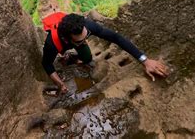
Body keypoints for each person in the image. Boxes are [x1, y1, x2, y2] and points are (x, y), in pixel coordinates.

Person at [41, 13, 169, 94]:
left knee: (87, 57)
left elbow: (116, 37)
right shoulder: (52, 44)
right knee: (74, 49)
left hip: (72, 42)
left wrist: (145, 60)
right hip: (61, 44)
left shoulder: (86, 26)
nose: (86, 39)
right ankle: (66, 54)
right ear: (67, 39)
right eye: (81, 40)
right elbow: (46, 64)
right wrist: (60, 84)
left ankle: (72, 57)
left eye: (87, 36)